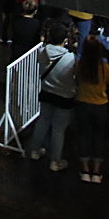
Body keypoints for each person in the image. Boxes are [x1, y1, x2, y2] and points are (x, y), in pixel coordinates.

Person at [25, 20, 79, 171]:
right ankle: (55, 160)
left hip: (46, 93)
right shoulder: (71, 58)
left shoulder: (43, 52)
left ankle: (35, 150)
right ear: (65, 39)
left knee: (43, 121)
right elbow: (76, 76)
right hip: (64, 97)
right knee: (58, 129)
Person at [72, 28, 109, 184]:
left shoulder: (80, 65)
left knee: (83, 135)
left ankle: (84, 169)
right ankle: (96, 171)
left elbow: (75, 78)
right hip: (100, 105)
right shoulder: (104, 67)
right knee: (97, 137)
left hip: (82, 104)